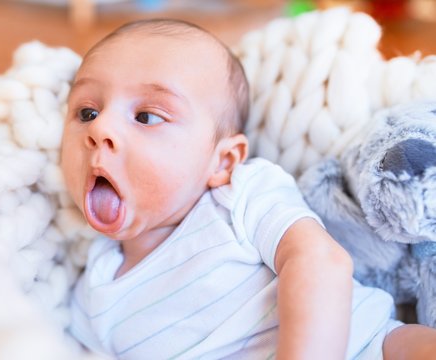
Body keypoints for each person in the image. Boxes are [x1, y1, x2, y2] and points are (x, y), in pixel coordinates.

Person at [60, 18, 436, 359]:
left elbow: (320, 262)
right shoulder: (93, 296)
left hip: (368, 346)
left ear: (222, 162)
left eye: (146, 116)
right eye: (87, 112)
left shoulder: (241, 196)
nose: (100, 129)